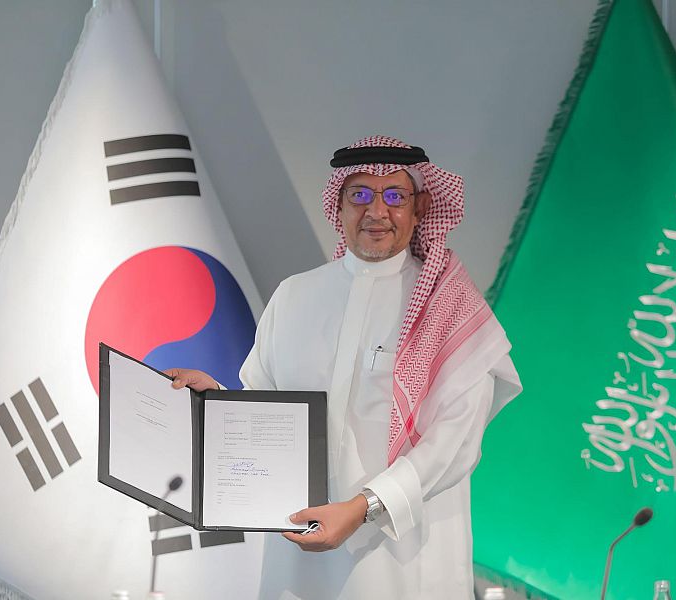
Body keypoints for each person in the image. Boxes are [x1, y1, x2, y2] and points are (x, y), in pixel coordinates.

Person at [166, 135, 521, 599]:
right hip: (301, 550)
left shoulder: (450, 309)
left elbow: (454, 444)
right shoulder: (294, 296)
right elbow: (271, 416)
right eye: (360, 195)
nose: (377, 211)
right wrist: (216, 400)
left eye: (395, 196)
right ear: (339, 205)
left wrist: (362, 508)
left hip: (403, 554)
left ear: (421, 207)